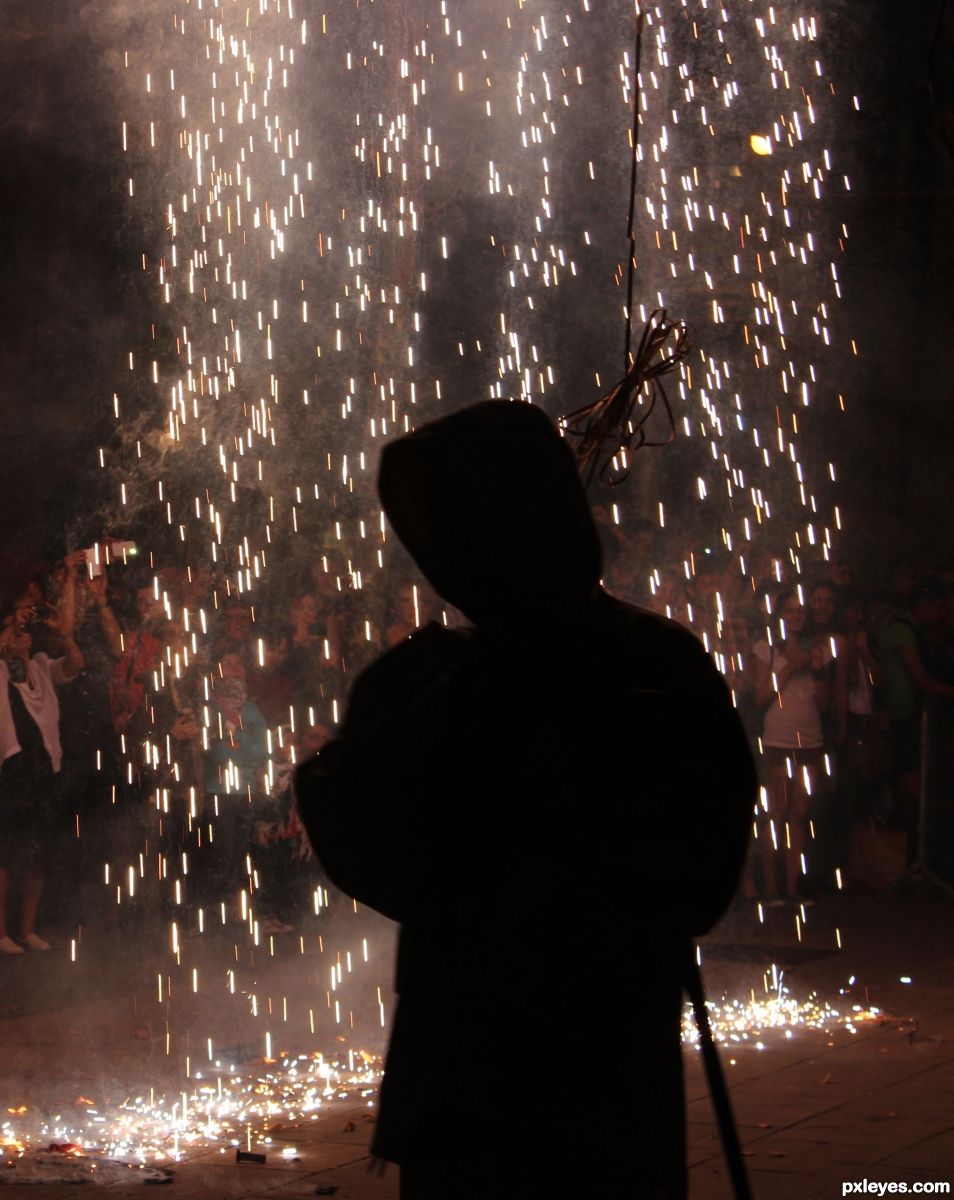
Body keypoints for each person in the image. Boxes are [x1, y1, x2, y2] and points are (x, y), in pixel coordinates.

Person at [295, 401, 755, 1199]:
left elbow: (697, 861)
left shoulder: (601, 670)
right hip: (539, 1072)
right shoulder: (634, 658)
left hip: (549, 1067)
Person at [0, 599, 84, 953]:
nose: (23, 634)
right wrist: (8, 629)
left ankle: (27, 928)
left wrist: (64, 635)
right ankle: (2, 934)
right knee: (6, 855)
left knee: (37, 854)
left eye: (24, 630)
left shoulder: (39, 666)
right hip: (12, 769)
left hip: (45, 769)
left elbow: (76, 664)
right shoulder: (1, 671)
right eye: (15, 630)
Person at [750, 589, 831, 904]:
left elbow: (822, 703)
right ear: (778, 614)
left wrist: (818, 669)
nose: (796, 616)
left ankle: (792, 885)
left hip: (809, 739)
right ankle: (770, 888)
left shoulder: (817, 649)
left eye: (800, 611)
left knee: (799, 814)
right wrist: (790, 667)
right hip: (778, 739)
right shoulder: (765, 647)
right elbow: (760, 696)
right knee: (776, 814)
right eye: (789, 611)